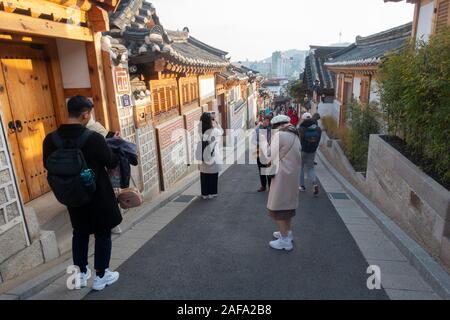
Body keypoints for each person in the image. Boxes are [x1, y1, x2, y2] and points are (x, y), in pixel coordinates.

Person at [43, 96, 121, 291]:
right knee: (102, 233)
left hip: (72, 195)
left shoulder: (51, 139)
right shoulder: (93, 138)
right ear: (85, 114)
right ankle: (102, 276)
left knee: (80, 233)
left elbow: (47, 164)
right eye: (89, 114)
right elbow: (111, 161)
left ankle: (80, 275)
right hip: (97, 194)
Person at [266, 115, 301, 251]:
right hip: (292, 176)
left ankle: (285, 241)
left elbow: (268, 154)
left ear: (277, 125)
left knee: (278, 208)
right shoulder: (295, 134)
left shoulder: (280, 135)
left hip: (281, 176)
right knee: (288, 207)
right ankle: (286, 232)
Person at [198, 112, 223, 199]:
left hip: (203, 158)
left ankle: (204, 194)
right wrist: (216, 122)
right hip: (214, 157)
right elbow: (221, 132)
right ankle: (212, 193)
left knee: (204, 175)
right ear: (210, 121)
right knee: (213, 175)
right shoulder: (215, 131)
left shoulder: (199, 132)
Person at [298, 112, 322, 197]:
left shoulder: (301, 128)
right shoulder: (318, 129)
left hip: (303, 151)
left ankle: (302, 186)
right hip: (312, 151)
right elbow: (318, 141)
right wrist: (314, 148)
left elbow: (299, 141)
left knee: (300, 167)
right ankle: (315, 184)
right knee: (311, 168)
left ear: (303, 119)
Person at [255, 115, 272, 192]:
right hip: (260, 150)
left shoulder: (272, 130)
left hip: (269, 152)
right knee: (261, 168)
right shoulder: (259, 129)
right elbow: (253, 139)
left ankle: (271, 187)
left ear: (270, 122)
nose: (265, 121)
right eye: (265, 120)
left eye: (267, 120)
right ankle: (263, 186)